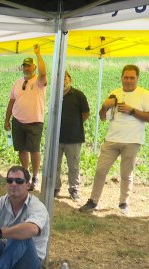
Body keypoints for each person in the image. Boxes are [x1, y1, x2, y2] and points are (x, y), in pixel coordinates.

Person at [79, 65, 149, 215]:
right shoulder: (114, 93)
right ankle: (93, 201)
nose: (128, 80)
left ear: (137, 78)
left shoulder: (144, 94)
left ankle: (124, 203)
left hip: (132, 140)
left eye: (132, 77)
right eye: (126, 77)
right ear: (121, 77)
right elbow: (103, 118)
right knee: (100, 170)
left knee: (126, 173)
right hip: (112, 139)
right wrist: (104, 106)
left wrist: (132, 111)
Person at [4, 44, 47, 191]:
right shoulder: (17, 82)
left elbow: (43, 71)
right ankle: (26, 175)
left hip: (35, 121)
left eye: (29, 66)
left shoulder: (39, 81)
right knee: (21, 149)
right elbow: (11, 101)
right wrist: (7, 119)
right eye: (24, 66)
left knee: (34, 150)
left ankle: (35, 176)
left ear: (34, 67)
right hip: (18, 121)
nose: (26, 68)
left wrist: (38, 54)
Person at [55, 71, 90, 200]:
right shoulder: (55, 95)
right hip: (57, 138)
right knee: (55, 165)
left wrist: (74, 124)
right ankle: (55, 188)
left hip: (74, 138)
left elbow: (85, 114)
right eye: (60, 78)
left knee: (73, 166)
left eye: (65, 77)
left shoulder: (78, 95)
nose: (63, 80)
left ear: (70, 80)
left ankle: (74, 189)